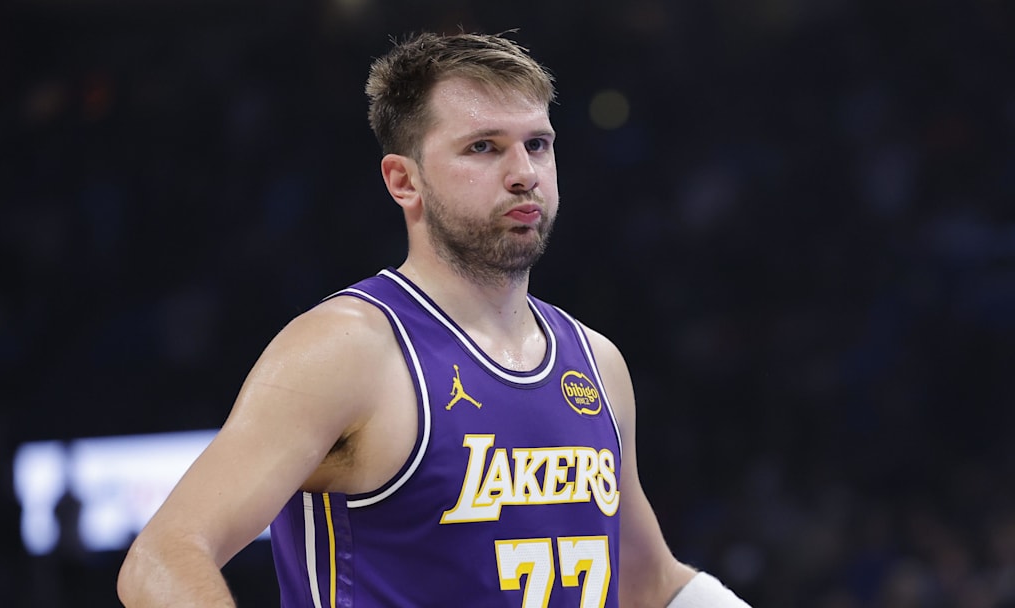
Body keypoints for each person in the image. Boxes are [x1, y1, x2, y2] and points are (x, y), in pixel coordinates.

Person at [117, 31, 751, 607]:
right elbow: (163, 557)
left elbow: (648, 583)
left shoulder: (597, 362)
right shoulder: (348, 349)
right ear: (403, 181)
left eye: (537, 144)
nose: (524, 174)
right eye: (484, 147)